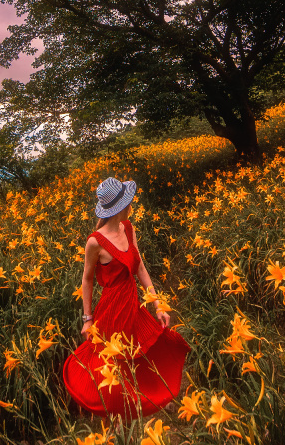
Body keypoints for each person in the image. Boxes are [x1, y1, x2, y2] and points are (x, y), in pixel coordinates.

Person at [63, 176, 190, 417]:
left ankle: (148, 400)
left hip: (133, 302)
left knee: (145, 352)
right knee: (114, 360)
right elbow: (87, 280)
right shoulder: (95, 242)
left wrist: (158, 306)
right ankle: (118, 411)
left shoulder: (128, 227)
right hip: (112, 308)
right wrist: (87, 319)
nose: (131, 204)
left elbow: (140, 267)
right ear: (119, 206)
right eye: (128, 201)